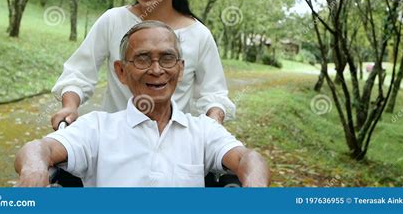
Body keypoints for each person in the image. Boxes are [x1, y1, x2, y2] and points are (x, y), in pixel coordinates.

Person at [15, 22, 269, 187]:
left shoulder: (202, 130)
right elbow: (39, 148)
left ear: (180, 70)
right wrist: (34, 166)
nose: (156, 70)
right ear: (121, 72)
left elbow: (249, 158)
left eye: (167, 58)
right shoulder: (98, 128)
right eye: (143, 59)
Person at [51, 0, 234, 129]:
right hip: (114, 141)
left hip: (172, 145)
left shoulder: (199, 35)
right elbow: (79, 72)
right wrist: (70, 107)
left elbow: (213, 95)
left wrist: (214, 123)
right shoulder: (113, 20)